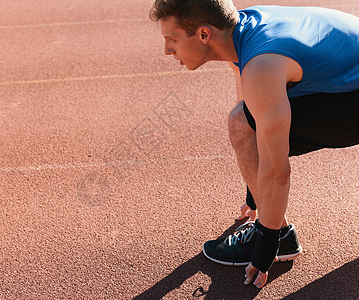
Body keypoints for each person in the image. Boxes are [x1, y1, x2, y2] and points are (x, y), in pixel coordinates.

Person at [149, 0, 359, 288]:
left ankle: (282, 237)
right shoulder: (241, 31)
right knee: (243, 123)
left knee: (241, 124)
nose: (167, 50)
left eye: (172, 40)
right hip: (350, 80)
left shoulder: (260, 63)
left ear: (203, 34)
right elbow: (252, 120)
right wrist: (256, 195)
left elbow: (276, 169)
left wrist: (266, 248)